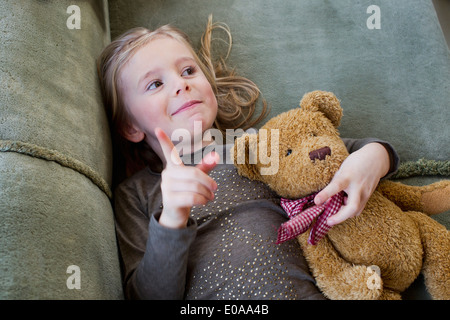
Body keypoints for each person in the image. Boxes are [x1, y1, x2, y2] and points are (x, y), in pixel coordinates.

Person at [97, 16, 399, 299]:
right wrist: (173, 217)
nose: (181, 84)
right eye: (155, 84)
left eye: (188, 71)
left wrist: (375, 156)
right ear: (130, 126)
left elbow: (344, 150)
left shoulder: (255, 147)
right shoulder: (135, 194)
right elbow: (148, 295)